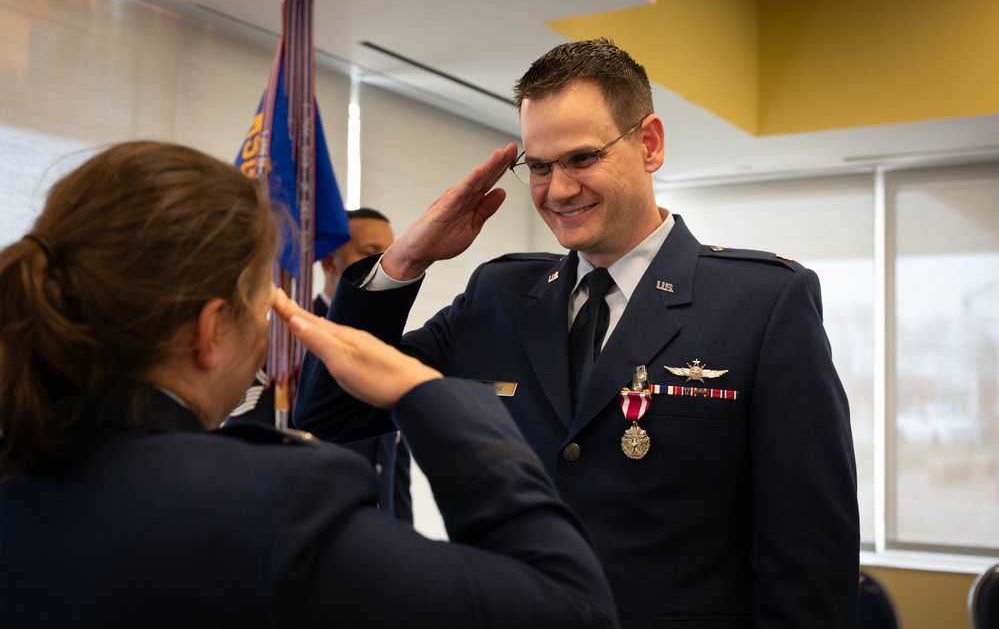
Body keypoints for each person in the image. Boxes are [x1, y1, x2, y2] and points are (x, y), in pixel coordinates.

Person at [293, 38, 861, 628]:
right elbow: (332, 415)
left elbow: (810, 552)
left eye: (582, 158)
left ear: (650, 144)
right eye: (539, 166)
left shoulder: (762, 302)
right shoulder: (500, 295)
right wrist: (404, 262)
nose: (558, 189)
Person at [0, 141, 619, 628]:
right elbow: (572, 610)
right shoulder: (267, 507)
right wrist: (431, 395)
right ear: (211, 332)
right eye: (259, 298)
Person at [228, 207, 413, 523]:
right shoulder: (285, 342)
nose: (385, 263)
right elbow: (244, 442)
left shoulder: (391, 347)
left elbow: (391, 467)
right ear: (329, 262)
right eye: (370, 253)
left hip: (373, 543)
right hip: (305, 534)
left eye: (390, 253)